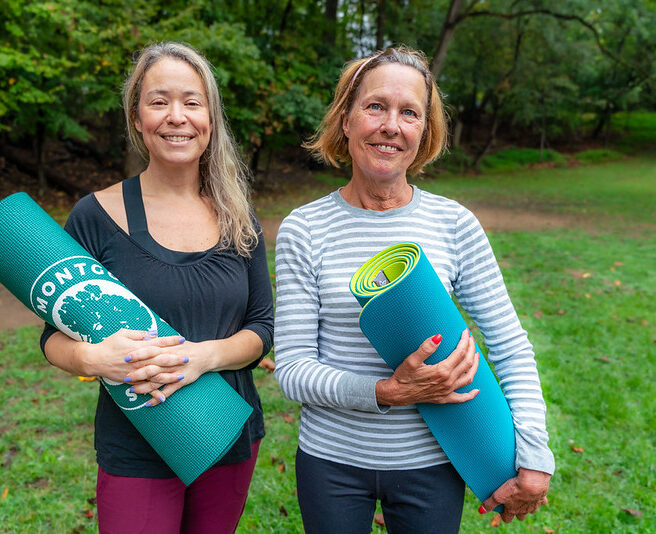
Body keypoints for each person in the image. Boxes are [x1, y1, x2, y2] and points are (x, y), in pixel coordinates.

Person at [273, 46, 554, 533]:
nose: (390, 125)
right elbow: (293, 370)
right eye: (375, 106)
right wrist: (388, 392)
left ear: (424, 132)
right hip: (331, 464)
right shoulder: (305, 228)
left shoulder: (454, 224)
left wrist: (534, 451)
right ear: (346, 119)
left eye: (409, 113)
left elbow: (509, 344)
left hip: (433, 465)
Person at [40, 42, 273, 533]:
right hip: (135, 442)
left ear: (210, 116)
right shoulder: (95, 216)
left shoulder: (237, 216)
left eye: (192, 101)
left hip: (224, 434)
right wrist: (92, 359)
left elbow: (262, 329)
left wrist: (203, 358)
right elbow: (51, 337)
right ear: (137, 116)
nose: (177, 117)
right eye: (159, 101)